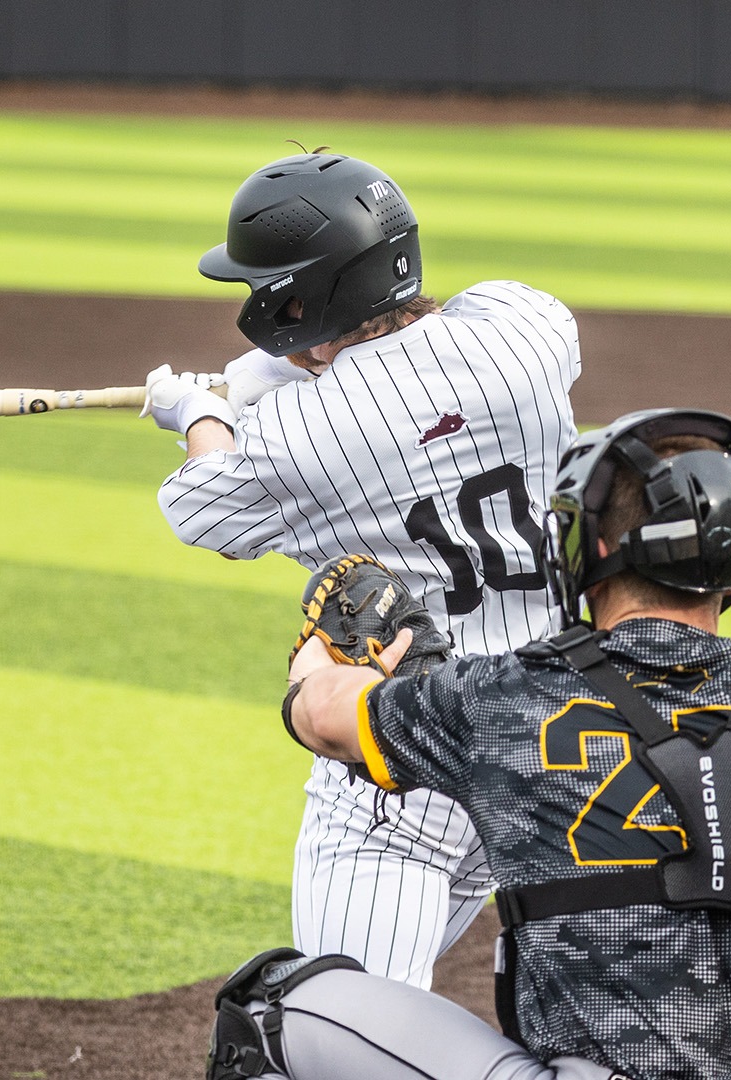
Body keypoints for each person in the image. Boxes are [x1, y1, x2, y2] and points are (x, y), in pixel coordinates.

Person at [204, 409, 731, 1080]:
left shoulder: (502, 697)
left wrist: (320, 660)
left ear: (590, 545)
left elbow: (324, 717)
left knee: (268, 1004)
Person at [145, 151, 580, 987]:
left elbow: (200, 505)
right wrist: (295, 370)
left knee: (344, 1030)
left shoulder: (298, 436)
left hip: (397, 766)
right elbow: (441, 349)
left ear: (301, 298)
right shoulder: (523, 329)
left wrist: (198, 411)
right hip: (547, 754)